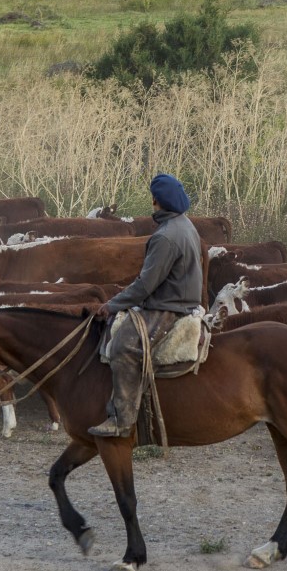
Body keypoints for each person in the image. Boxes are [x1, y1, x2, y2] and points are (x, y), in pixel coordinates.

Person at [88, 173, 204, 438]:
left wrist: (113, 304)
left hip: (168, 307)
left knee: (122, 346)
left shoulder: (165, 236)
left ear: (156, 200)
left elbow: (145, 286)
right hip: (180, 299)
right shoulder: (184, 224)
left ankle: (121, 419)